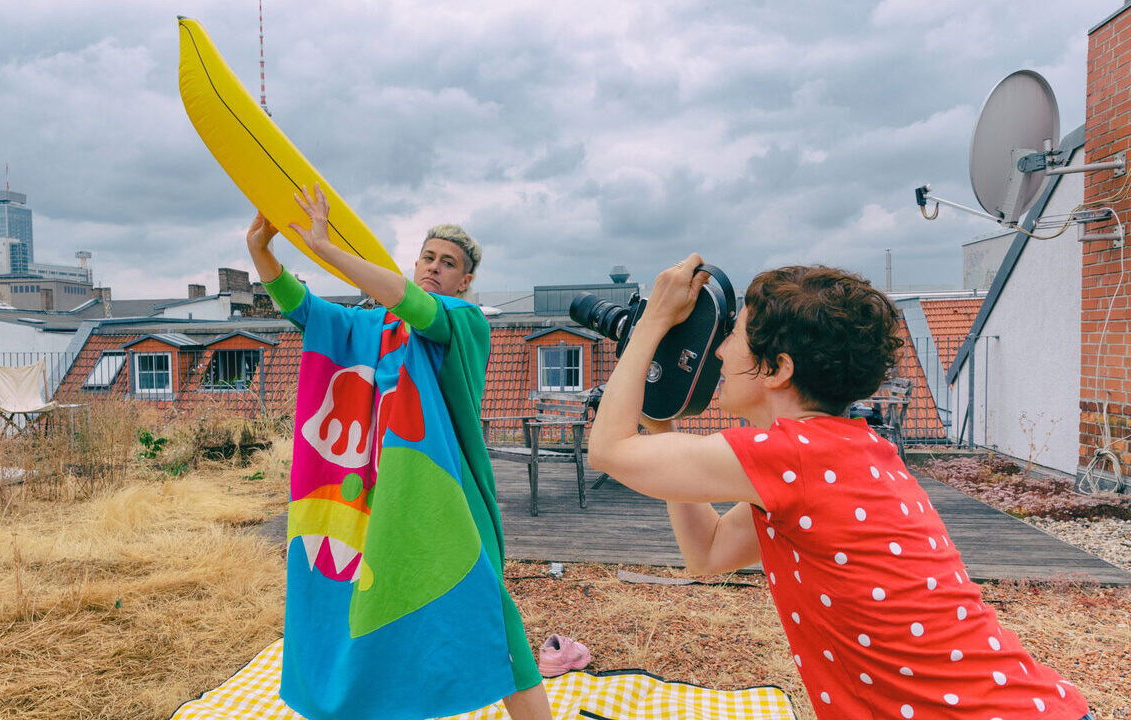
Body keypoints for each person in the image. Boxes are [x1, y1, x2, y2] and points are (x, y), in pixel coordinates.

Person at [589, 256, 1093, 720]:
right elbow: (709, 552)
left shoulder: (790, 456)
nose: (718, 351)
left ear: (778, 369)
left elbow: (609, 450)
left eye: (734, 336)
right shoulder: (845, 453)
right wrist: (661, 417)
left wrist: (652, 324)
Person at [247, 185, 551, 720]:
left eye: (448, 263)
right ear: (415, 262)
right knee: (375, 606)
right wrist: (260, 251)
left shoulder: (463, 322)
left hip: (447, 494)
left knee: (489, 610)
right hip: (377, 496)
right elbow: (307, 311)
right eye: (428, 257)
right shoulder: (375, 327)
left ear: (465, 280)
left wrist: (327, 249)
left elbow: (411, 303)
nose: (435, 267)